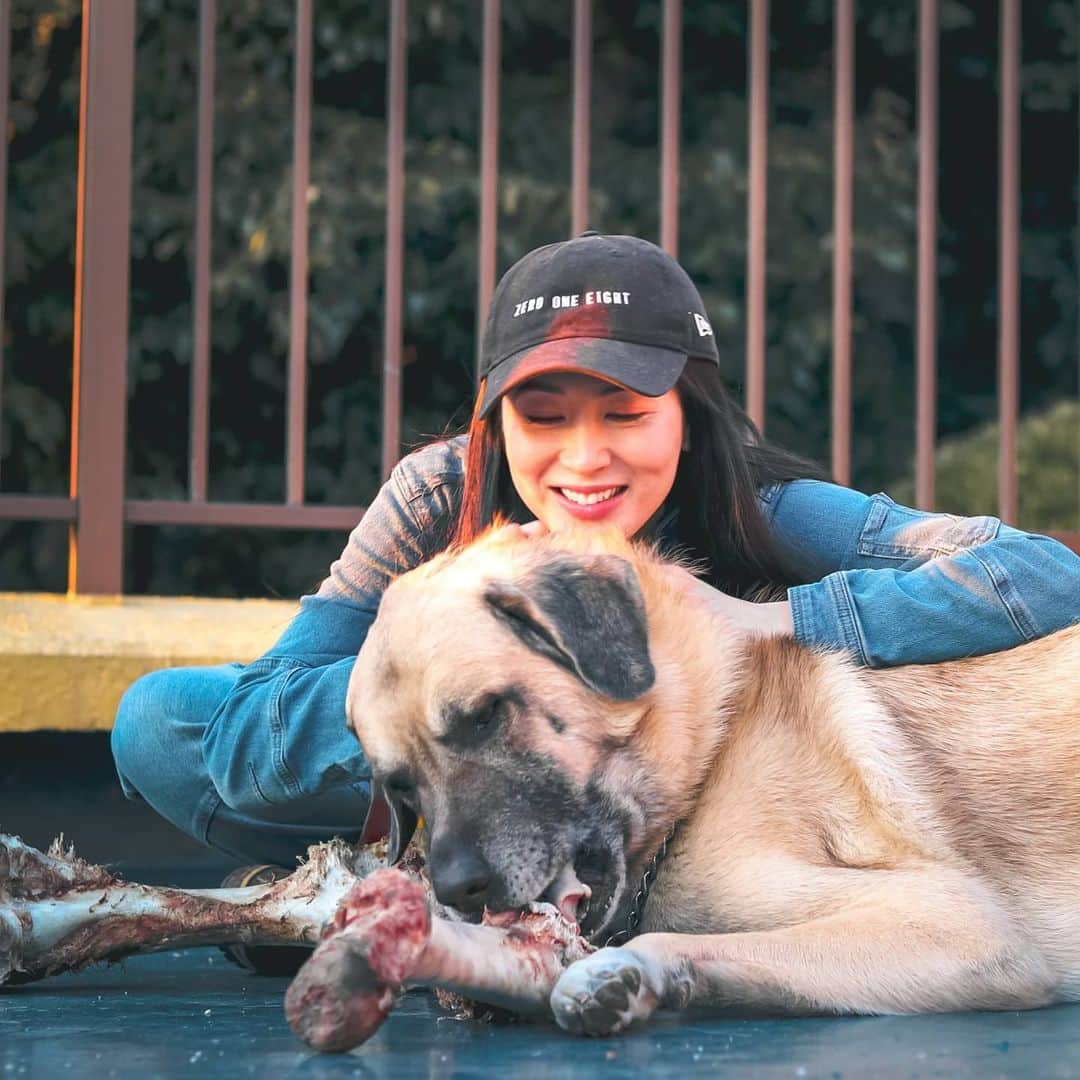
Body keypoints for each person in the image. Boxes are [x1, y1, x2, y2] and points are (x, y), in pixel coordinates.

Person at [112, 230, 1080, 887]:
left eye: (626, 416)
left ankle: (430, 893)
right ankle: (390, 879)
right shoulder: (433, 494)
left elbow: (1041, 573)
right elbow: (252, 720)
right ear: (495, 423)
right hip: (444, 805)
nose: (584, 459)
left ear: (689, 422)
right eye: (543, 420)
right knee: (159, 724)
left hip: (698, 835)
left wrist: (768, 617)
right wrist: (474, 655)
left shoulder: (763, 502)